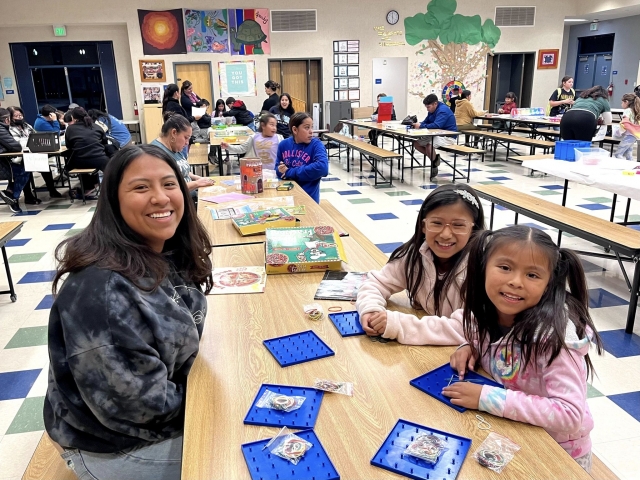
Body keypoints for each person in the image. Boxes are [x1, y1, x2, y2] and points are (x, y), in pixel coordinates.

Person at [45, 144, 214, 480]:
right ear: (113, 201)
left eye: (169, 184)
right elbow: (139, 409)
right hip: (115, 446)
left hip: (153, 414)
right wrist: (218, 402)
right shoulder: (102, 293)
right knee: (246, 453)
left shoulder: (162, 250)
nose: (161, 198)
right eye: (141, 187)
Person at [445, 225, 603, 473]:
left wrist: (486, 398)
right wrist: (470, 347)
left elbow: (570, 415)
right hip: (513, 434)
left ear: (549, 283)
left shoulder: (555, 338)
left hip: (556, 454)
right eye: (505, 268)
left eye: (532, 275)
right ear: (483, 267)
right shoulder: (488, 312)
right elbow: (501, 353)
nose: (515, 282)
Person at [356, 185, 484, 344]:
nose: (445, 234)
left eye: (458, 225)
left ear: (474, 229)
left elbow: (471, 328)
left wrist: (399, 324)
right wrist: (371, 309)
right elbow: (377, 283)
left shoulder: (482, 267)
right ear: (423, 226)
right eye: (436, 223)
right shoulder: (414, 256)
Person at [151, 113, 215, 197]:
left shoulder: (174, 146)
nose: (187, 142)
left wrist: (196, 177)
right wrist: (196, 183)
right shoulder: (157, 154)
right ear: (174, 133)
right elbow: (169, 189)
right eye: (186, 137)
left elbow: (183, 170)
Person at [276, 112, 328, 203]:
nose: (311, 131)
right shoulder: (283, 145)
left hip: (309, 200)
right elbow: (278, 169)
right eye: (307, 127)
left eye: (312, 127)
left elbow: (322, 168)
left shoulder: (316, 145)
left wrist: (290, 172)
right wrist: (281, 170)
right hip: (287, 198)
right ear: (295, 130)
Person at [5, 106, 46, 209]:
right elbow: (17, 143)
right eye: (16, 116)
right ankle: (15, 195)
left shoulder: (26, 125)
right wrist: (29, 142)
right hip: (15, 158)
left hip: (30, 154)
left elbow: (36, 136)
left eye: (20, 115)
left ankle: (13, 193)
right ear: (10, 117)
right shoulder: (9, 128)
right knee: (25, 170)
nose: (19, 117)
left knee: (44, 165)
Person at [64, 107, 110, 197]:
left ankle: (88, 186)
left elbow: (68, 146)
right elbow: (105, 143)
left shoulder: (70, 129)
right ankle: (111, 190)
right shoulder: (97, 127)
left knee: (74, 161)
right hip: (99, 159)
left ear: (73, 118)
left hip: (79, 161)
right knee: (110, 167)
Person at [412, 94, 458, 180]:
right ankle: (435, 159)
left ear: (435, 104)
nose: (427, 109)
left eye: (428, 107)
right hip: (436, 134)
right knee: (416, 143)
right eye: (426, 107)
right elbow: (426, 122)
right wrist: (418, 124)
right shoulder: (432, 111)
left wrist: (421, 126)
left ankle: (434, 165)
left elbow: (437, 125)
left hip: (448, 136)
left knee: (430, 145)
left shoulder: (443, 111)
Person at [0, 108, 27, 213]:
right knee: (25, 169)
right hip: (3, 164)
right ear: (7, 119)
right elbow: (15, 146)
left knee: (26, 167)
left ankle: (10, 193)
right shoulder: (2, 129)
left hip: (4, 161)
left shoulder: (4, 128)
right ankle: (13, 197)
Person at [615, 93, 640, 161]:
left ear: (626, 102)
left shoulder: (627, 111)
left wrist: (619, 131)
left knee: (618, 154)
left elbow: (625, 123)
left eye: (622, 102)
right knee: (628, 154)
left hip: (629, 135)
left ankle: (621, 167)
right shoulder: (635, 111)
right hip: (634, 135)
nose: (621, 104)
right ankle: (632, 168)